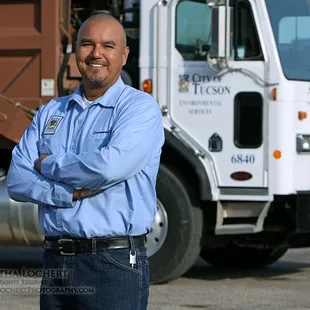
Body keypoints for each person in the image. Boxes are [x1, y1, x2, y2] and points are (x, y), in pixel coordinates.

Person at [7, 12, 164, 310]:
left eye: (108, 46)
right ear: (75, 51)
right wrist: (63, 193)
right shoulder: (52, 111)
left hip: (112, 265)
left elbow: (107, 167)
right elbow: (16, 180)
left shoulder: (139, 109)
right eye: (87, 44)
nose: (96, 54)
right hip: (56, 261)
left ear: (124, 55)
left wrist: (46, 164)